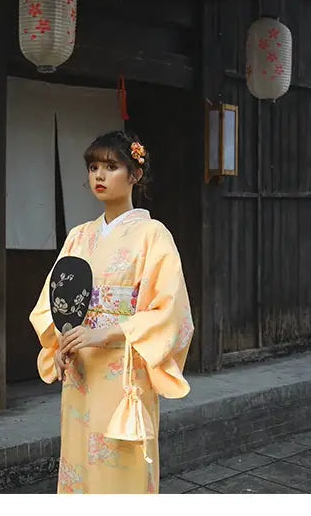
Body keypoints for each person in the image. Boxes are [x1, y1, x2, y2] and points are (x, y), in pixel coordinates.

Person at [29, 130, 194, 494]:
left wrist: (104, 333)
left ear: (134, 174)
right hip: (81, 370)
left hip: (123, 370)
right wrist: (60, 344)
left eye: (111, 166)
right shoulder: (79, 237)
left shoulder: (153, 235)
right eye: (93, 167)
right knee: (78, 464)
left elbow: (171, 311)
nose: (99, 176)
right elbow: (52, 302)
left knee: (121, 466)